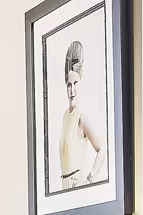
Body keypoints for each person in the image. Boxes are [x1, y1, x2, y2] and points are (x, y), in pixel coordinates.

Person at [58, 40, 107, 189]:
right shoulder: (66, 117)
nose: (72, 90)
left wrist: (90, 177)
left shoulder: (82, 119)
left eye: (75, 83)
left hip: (76, 186)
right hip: (64, 187)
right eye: (68, 84)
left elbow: (101, 149)